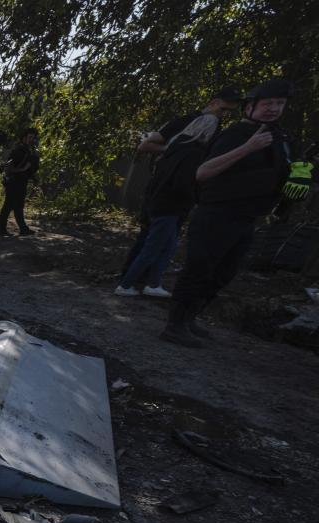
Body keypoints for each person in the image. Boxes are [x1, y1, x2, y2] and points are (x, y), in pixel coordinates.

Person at [161, 79, 306, 347]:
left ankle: (191, 318)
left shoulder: (280, 138)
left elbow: (284, 171)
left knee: (223, 273)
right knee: (199, 268)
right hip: (217, 214)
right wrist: (248, 148)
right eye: (267, 104)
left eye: (279, 104)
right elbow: (203, 172)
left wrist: (298, 177)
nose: (273, 109)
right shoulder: (236, 134)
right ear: (251, 107)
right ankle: (175, 324)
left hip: (247, 217)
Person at [118, 86, 242, 279]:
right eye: (223, 109)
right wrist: (177, 149)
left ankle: (147, 279)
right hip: (166, 187)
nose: (225, 115)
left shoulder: (215, 127)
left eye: (230, 111)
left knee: (167, 238)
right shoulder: (187, 123)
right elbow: (146, 145)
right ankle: (130, 279)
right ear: (214, 103)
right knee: (152, 235)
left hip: (183, 190)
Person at [114, 115, 220, 299]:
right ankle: (126, 284)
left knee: (168, 247)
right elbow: (182, 183)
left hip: (160, 202)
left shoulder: (174, 147)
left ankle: (153, 283)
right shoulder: (194, 152)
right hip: (170, 205)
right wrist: (195, 196)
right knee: (153, 248)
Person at [0, 128, 38, 236]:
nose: (31, 140)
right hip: (14, 182)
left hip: (21, 182)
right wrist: (23, 169)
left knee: (16, 206)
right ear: (24, 138)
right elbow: (8, 167)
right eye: (29, 137)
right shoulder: (18, 150)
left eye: (33, 138)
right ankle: (2, 229)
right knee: (9, 206)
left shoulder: (28, 150)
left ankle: (21, 228)